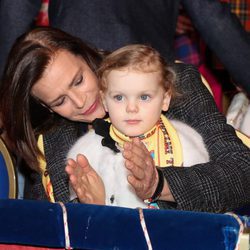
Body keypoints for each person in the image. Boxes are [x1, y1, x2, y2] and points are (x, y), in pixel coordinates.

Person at [0, 27, 249, 212]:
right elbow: (46, 231)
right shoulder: (52, 142)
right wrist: (92, 210)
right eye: (59, 101)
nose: (80, 102)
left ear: (87, 57)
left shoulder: (167, 82)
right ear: (46, 107)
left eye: (78, 81)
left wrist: (159, 184)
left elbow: (242, 172)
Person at [0, 0, 250, 95]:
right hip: (145, 66)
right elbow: (210, 13)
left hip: (77, 60)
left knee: (70, 174)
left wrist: (6, 87)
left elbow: (16, 7)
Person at [66, 44, 209, 209]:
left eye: (144, 97)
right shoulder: (85, 151)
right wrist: (97, 205)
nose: (131, 108)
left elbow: (203, 206)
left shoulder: (185, 143)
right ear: (104, 100)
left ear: (165, 98)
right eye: (119, 97)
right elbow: (78, 221)